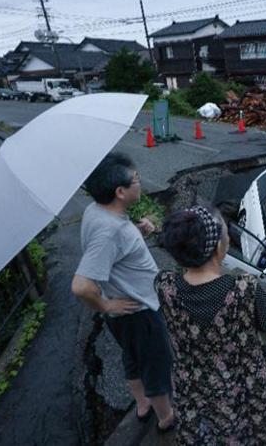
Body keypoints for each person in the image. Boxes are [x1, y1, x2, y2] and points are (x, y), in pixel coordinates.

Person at [157, 205, 266, 445]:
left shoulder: (165, 286)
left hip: (194, 383)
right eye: (226, 232)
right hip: (246, 385)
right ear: (218, 247)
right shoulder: (244, 289)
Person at [71, 152, 175, 431]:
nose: (140, 183)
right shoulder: (110, 230)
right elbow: (81, 286)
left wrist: (138, 231)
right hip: (138, 310)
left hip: (125, 312)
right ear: (120, 191)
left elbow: (114, 246)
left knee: (132, 357)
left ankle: (142, 406)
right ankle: (165, 418)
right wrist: (106, 306)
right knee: (155, 362)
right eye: (136, 180)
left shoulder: (98, 210)